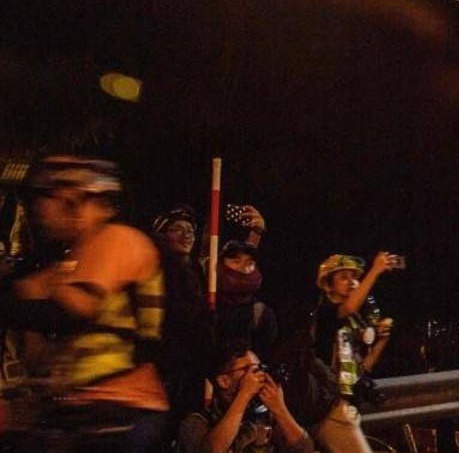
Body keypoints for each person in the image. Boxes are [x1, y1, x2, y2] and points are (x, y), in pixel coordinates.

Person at [0, 155, 170, 452]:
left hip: (122, 407)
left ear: (77, 200)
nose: (39, 211)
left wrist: (18, 302)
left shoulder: (118, 239)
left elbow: (68, 314)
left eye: (46, 198)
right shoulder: (70, 262)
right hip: (87, 409)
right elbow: (38, 355)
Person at [311, 252, 401, 453]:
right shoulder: (326, 312)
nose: (352, 281)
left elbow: (363, 367)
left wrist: (381, 341)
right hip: (331, 407)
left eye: (354, 277)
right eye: (344, 277)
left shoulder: (353, 322)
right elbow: (349, 307)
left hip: (349, 405)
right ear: (328, 283)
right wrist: (375, 270)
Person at [176, 342, 314, 453]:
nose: (258, 375)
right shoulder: (195, 422)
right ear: (224, 381)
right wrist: (244, 395)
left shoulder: (264, 416)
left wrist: (280, 409)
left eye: (260, 368)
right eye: (250, 369)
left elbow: (305, 449)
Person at [151, 205, 216, 425]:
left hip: (192, 364)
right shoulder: (155, 268)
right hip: (166, 363)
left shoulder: (193, 268)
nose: (186, 235)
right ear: (162, 234)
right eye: (177, 229)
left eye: (190, 230)